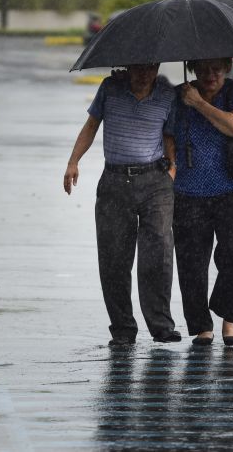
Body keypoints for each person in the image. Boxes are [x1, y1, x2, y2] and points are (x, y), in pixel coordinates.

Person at [64, 64, 181, 346]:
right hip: (115, 181)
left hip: (155, 181)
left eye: (150, 66)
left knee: (159, 254)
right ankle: (123, 329)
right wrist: (73, 162)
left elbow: (169, 136)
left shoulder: (167, 94)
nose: (144, 72)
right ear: (128, 66)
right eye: (138, 67)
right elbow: (91, 125)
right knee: (114, 259)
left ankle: (161, 326)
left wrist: (172, 170)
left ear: (157, 67)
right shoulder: (110, 88)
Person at [172, 58, 233, 346]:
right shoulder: (178, 95)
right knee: (191, 263)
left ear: (228, 67)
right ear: (193, 68)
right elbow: (166, 132)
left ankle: (229, 322)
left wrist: (199, 104)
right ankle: (201, 326)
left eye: (218, 68)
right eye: (204, 68)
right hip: (188, 192)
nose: (211, 75)